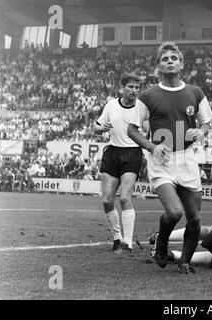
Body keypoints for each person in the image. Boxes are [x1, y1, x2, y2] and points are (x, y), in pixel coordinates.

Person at [127, 42, 212, 274]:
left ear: (181, 64)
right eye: (164, 58)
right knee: (175, 212)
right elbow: (132, 129)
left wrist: (200, 131)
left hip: (187, 159)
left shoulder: (195, 92)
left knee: (194, 219)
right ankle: (161, 245)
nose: (169, 61)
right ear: (158, 66)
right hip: (161, 161)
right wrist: (151, 147)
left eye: (173, 58)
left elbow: (207, 123)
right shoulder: (147, 95)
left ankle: (185, 261)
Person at [94, 72, 144, 253]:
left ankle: (128, 243)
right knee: (107, 200)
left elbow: (148, 126)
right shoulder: (111, 105)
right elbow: (96, 128)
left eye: (137, 87)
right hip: (112, 152)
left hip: (132, 153)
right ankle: (117, 239)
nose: (134, 90)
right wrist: (102, 128)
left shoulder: (141, 107)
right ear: (122, 88)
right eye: (130, 87)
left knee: (124, 198)